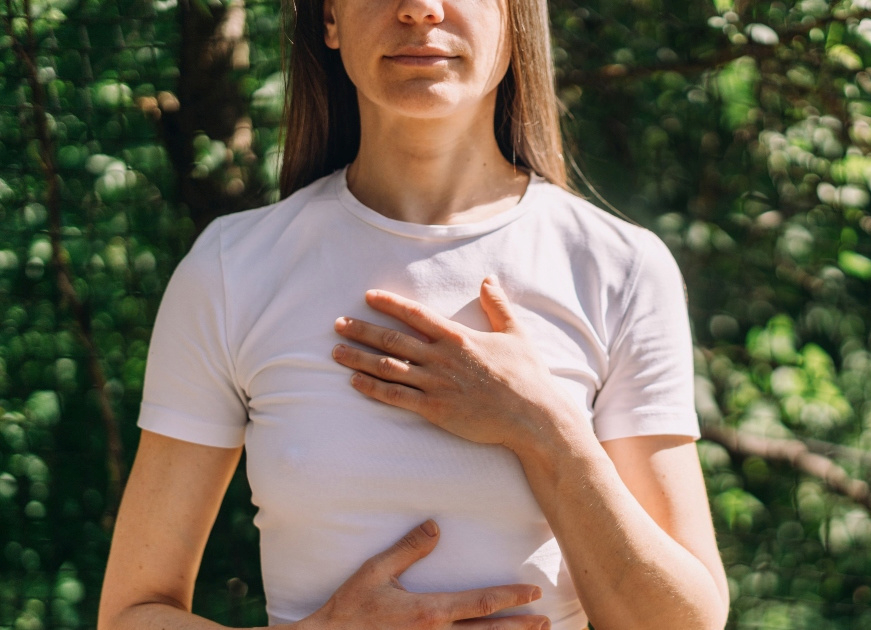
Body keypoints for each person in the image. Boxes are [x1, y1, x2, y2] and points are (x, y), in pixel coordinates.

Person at [97, 0, 729, 628]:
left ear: (515, 18)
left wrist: (539, 425)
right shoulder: (232, 270)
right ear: (330, 20)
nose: (419, 9)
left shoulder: (621, 269)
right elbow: (131, 613)